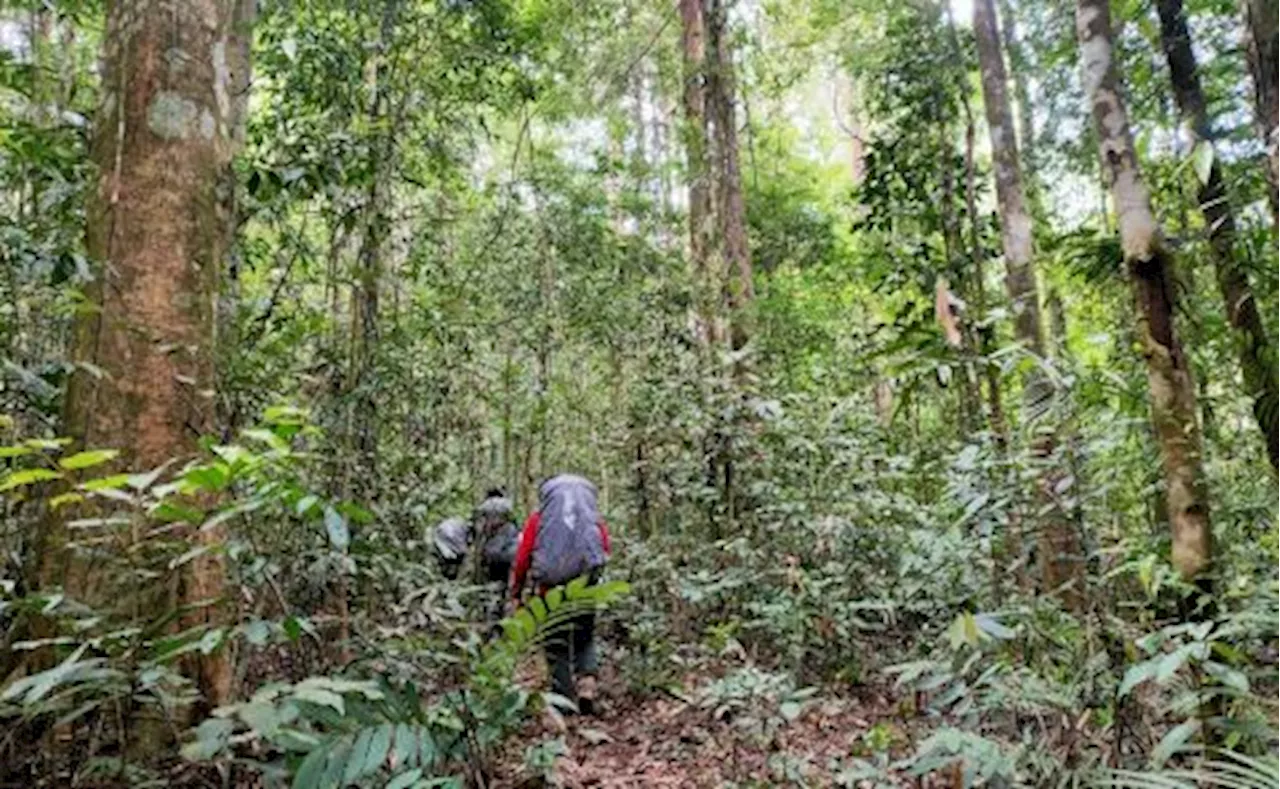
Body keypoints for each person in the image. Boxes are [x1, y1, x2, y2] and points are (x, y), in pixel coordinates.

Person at [509, 474, 611, 714]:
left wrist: (517, 591)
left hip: (551, 593)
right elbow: (604, 548)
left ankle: (564, 701)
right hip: (585, 588)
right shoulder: (591, 518)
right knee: (584, 637)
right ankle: (587, 684)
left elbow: (523, 557)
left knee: (557, 645)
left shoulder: (540, 519)